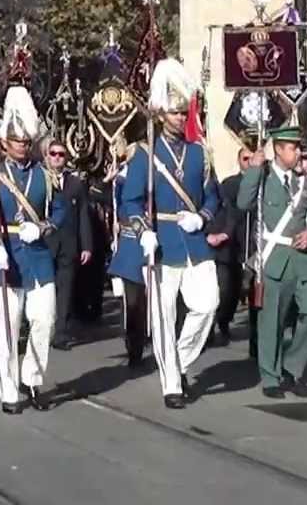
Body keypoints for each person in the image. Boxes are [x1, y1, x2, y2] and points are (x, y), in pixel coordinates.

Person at [117, 59, 219, 410]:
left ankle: (179, 359)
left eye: (183, 113)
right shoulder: (144, 154)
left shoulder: (199, 152)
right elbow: (129, 201)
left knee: (207, 305)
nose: (180, 118)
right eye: (175, 113)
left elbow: (212, 196)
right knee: (163, 316)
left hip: (193, 241)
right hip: (160, 242)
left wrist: (202, 218)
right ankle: (172, 383)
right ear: (160, 114)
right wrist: (143, 230)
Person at [0, 86, 67, 414]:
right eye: (17, 142)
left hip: (38, 256)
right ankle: (10, 390)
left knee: (45, 320)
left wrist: (41, 227)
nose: (23, 147)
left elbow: (59, 211)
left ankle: (32, 378)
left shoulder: (45, 175)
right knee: (8, 329)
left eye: (27, 142)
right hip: (5, 256)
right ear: (3, 142)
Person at [237, 127, 307, 399]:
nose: (299, 152)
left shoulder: (306, 183)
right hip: (274, 258)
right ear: (278, 149)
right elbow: (243, 203)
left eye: (299, 147)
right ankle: (271, 376)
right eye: (293, 147)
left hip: (305, 260)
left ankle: (292, 366)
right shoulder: (263, 178)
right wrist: (253, 168)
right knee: (271, 322)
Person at [44, 139, 93, 350]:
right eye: (53, 153)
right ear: (47, 155)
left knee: (65, 290)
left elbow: (83, 215)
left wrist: (87, 246)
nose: (57, 157)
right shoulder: (38, 179)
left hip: (69, 243)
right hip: (43, 243)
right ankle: (41, 329)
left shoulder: (75, 183)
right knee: (44, 290)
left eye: (61, 154)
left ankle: (61, 333)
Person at [106, 142, 149, 369]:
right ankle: (135, 346)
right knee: (133, 302)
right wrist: (112, 181)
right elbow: (112, 204)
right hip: (131, 243)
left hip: (154, 240)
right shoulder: (121, 181)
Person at [207, 147, 255, 348]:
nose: (249, 162)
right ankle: (213, 325)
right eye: (246, 158)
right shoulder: (230, 184)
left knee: (243, 290)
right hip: (229, 245)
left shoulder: (263, 183)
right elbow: (222, 211)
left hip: (251, 243)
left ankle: (233, 324)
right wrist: (224, 232)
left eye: (252, 158)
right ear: (239, 160)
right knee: (225, 289)